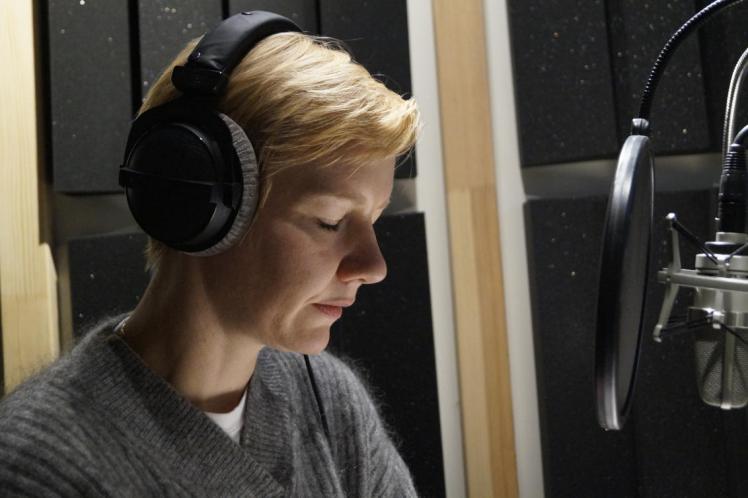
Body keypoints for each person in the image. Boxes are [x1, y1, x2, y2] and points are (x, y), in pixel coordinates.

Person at [0, 12, 421, 497]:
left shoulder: (330, 401)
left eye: (375, 219)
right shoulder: (38, 470)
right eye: (329, 221)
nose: (374, 267)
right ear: (197, 201)